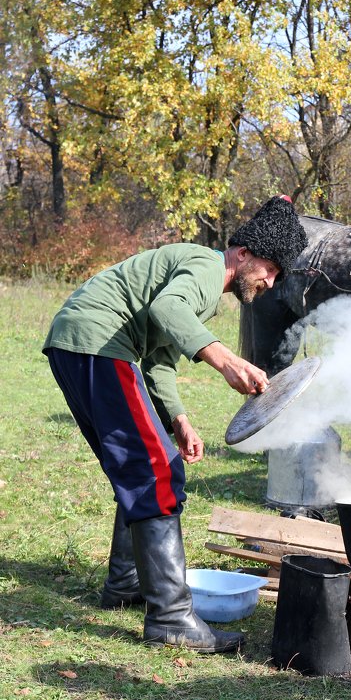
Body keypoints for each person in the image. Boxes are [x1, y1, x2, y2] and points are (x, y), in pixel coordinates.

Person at [42, 196, 308, 653]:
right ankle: (169, 618)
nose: (269, 282)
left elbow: (160, 360)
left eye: (278, 277)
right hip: (99, 343)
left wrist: (180, 420)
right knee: (156, 471)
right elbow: (168, 310)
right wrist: (224, 358)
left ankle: (128, 583)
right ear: (242, 254)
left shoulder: (199, 289)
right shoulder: (206, 268)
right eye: (269, 269)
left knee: (139, 469)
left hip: (81, 343)